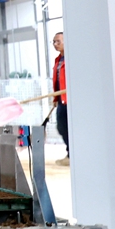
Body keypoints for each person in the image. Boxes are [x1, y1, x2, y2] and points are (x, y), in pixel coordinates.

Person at [51, 32, 69, 165]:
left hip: (71, 100)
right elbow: (57, 80)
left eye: (58, 41)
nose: (55, 44)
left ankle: (72, 155)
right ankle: (71, 154)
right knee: (61, 127)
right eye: (54, 42)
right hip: (61, 99)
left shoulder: (71, 58)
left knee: (70, 127)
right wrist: (56, 98)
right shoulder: (58, 60)